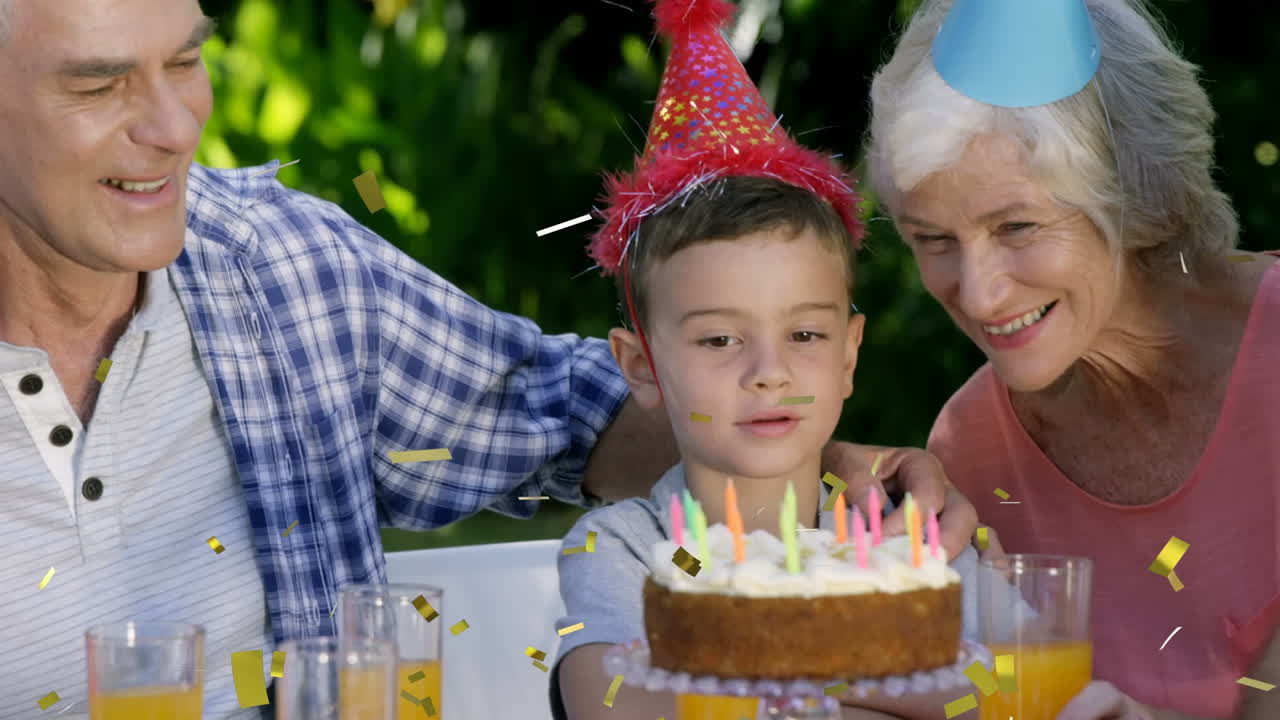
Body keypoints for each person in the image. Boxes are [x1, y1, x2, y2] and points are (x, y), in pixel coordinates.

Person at [0, 0, 973, 717]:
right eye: (98, 83)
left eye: (184, 62)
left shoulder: (285, 272)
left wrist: (820, 470)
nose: (174, 128)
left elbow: (572, 410)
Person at [552, 3, 986, 718]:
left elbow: (1007, 694)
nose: (769, 372)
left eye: (805, 336)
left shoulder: (911, 540)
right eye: (720, 340)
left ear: (849, 353)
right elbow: (613, 707)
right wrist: (878, 687)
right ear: (641, 367)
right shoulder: (626, 552)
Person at [864, 0, 1280, 717]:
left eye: (1017, 226)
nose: (980, 292)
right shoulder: (970, 453)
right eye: (933, 239)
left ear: (1134, 196)